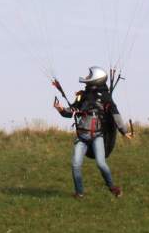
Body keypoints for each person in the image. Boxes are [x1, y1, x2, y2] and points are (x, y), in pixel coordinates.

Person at [53, 66, 131, 198]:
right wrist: (61, 109)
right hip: (82, 137)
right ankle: (79, 193)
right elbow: (72, 111)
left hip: (97, 136)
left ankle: (112, 187)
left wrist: (124, 131)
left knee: (101, 164)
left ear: (96, 79)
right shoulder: (82, 95)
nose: (87, 77)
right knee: (75, 164)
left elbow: (115, 114)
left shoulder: (105, 97)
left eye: (89, 76)